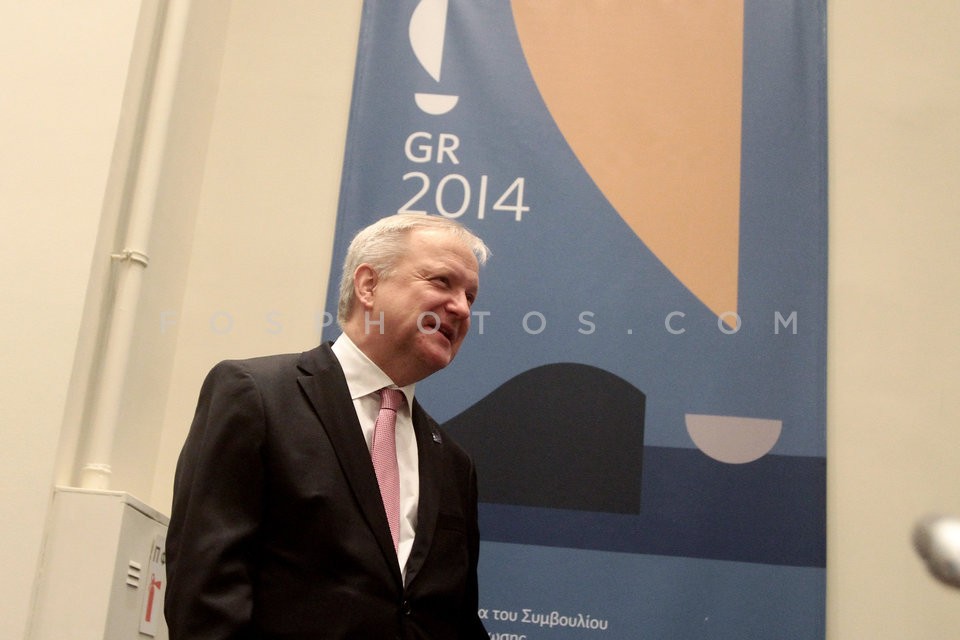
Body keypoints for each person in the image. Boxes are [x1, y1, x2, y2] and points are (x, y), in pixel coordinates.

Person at [165, 213, 491, 639]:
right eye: (442, 282)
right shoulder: (256, 397)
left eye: (470, 296)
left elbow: (457, 621)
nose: (462, 308)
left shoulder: (454, 463)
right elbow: (205, 595)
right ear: (368, 285)